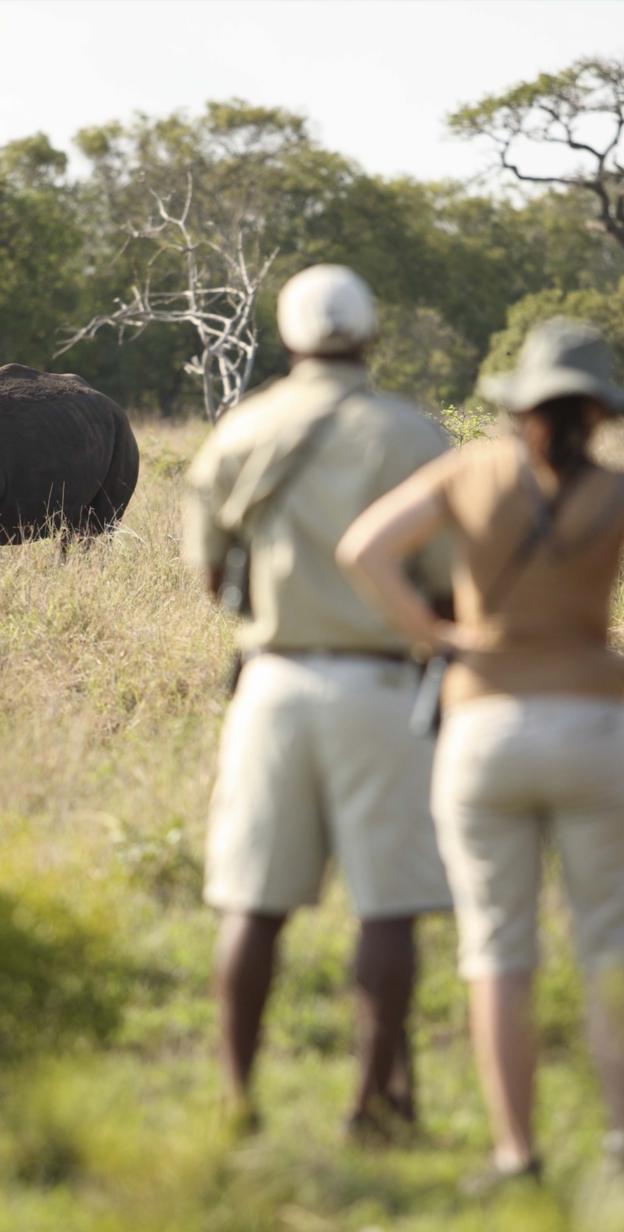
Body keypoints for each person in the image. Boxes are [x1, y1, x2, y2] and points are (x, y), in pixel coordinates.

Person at [339, 320, 624, 1188]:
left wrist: (436, 633)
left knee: (497, 951)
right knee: (609, 944)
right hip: (593, 729)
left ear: (519, 404)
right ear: (599, 411)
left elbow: (364, 549)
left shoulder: (470, 471)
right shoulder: (621, 491)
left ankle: (516, 1153)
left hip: (484, 734)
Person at [183, 264, 455, 1140]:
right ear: (370, 336)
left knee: (253, 902)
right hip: (383, 686)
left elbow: (207, 570)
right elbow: (450, 584)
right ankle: (374, 1106)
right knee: (386, 906)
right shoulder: (417, 436)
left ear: (289, 337)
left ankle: (235, 1101)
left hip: (271, 685)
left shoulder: (242, 429)